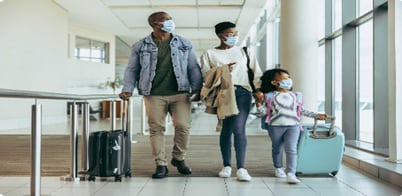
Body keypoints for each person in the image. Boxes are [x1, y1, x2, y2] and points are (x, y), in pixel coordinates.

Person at [119, 11, 203, 179]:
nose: (170, 22)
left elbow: (193, 67)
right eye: (165, 20)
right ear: (155, 24)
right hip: (153, 94)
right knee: (156, 129)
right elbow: (132, 69)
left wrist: (197, 88)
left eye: (170, 19)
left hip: (180, 92)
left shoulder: (184, 43)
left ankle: (179, 158)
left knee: (183, 126)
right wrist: (127, 87)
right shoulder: (140, 46)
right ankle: (161, 164)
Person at [200, 21, 262, 181]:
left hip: (243, 92)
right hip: (223, 93)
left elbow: (256, 73)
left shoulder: (245, 51)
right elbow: (206, 76)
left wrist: (259, 91)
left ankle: (241, 168)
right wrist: (222, 70)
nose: (234, 37)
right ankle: (227, 165)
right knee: (226, 128)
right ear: (220, 35)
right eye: (230, 34)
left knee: (239, 127)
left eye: (236, 34)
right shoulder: (209, 53)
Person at [258, 68, 327, 184]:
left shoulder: (296, 96)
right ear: (274, 82)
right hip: (275, 126)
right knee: (277, 148)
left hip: (293, 126)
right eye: (285, 78)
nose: (289, 80)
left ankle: (291, 173)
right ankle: (278, 168)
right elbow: (263, 112)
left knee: (291, 149)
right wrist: (258, 104)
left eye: (289, 78)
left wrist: (316, 115)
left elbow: (302, 110)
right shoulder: (270, 96)